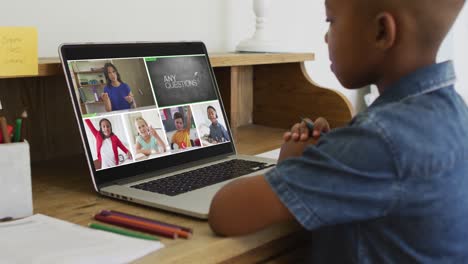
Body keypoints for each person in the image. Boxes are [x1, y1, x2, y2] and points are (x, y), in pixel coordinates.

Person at [209, 0, 468, 262]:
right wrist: (332, 155)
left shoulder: (378, 140)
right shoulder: (455, 112)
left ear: (381, 32)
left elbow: (225, 213)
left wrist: (293, 165)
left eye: (330, 22)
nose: (325, 36)